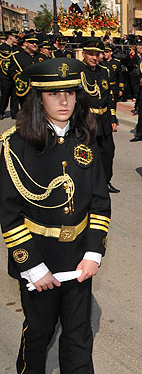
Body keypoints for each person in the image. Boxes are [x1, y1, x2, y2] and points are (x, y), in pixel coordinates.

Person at [0, 58, 110, 373]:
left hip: (78, 260)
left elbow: (100, 201)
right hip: (39, 260)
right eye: (53, 94)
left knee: (78, 336)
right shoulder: (16, 144)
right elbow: (9, 213)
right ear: (38, 98)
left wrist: (93, 253)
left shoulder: (85, 137)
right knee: (39, 333)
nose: (64, 101)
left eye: (70, 93)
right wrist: (32, 267)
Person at [79, 39, 120, 194]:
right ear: (84, 54)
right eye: (91, 54)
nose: (94, 58)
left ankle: (105, 181)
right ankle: (87, 183)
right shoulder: (78, 71)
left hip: (103, 118)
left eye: (97, 54)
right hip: (86, 118)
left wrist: (113, 118)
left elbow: (109, 96)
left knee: (108, 150)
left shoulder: (104, 71)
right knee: (87, 152)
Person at [6, 33, 41, 119]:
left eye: (36, 43)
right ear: (25, 43)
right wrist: (19, 79)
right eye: (32, 42)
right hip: (25, 91)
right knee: (28, 114)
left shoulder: (42, 57)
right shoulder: (17, 56)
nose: (35, 44)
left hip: (40, 89)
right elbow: (10, 72)